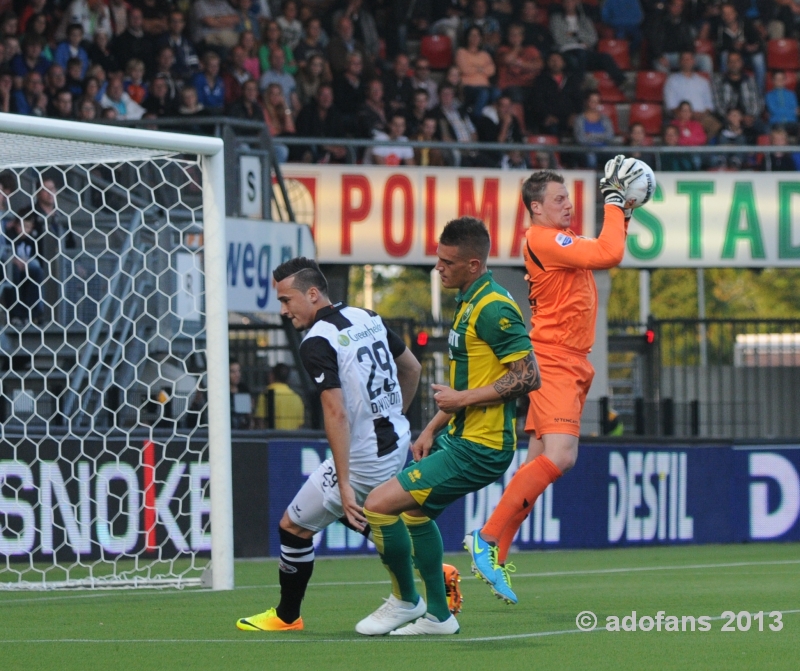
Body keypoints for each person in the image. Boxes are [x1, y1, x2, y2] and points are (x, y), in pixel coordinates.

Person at [465, 157, 640, 605]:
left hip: (570, 361)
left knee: (538, 466)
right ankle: (484, 538)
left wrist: (626, 210)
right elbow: (610, 253)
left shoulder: (560, 240)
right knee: (561, 457)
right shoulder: (542, 238)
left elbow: (603, 246)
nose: (568, 205)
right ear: (536, 209)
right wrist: (615, 201)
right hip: (555, 359)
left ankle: (496, 555)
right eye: (559, 199)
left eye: (568, 198)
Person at [355, 217, 540, 636]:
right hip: (460, 437)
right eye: (438, 259)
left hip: (483, 446)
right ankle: (439, 616)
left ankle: (405, 600)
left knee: (379, 504)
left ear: (474, 264)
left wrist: (461, 402)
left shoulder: (494, 307)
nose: (439, 268)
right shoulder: (470, 300)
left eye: (447, 262)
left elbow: (529, 376)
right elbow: (471, 384)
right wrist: (433, 427)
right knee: (416, 513)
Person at [236, 257, 422, 632]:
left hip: (365, 458)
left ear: (313, 294)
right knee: (361, 516)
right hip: (395, 442)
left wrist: (345, 479)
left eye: (287, 300)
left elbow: (334, 414)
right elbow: (413, 368)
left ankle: (287, 617)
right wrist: (392, 416)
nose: (284, 310)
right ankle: (431, 568)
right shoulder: (366, 316)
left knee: (293, 526)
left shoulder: (316, 341)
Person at [254, 362, 305, 429]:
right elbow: (299, 426)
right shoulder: (297, 398)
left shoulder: (265, 395)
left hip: (272, 438)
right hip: (292, 439)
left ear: (271, 376)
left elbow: (260, 422)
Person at [229, 358, 253, 429]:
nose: (237, 375)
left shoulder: (243, 389)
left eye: (238, 371)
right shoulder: (220, 391)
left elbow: (246, 414)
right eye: (233, 372)